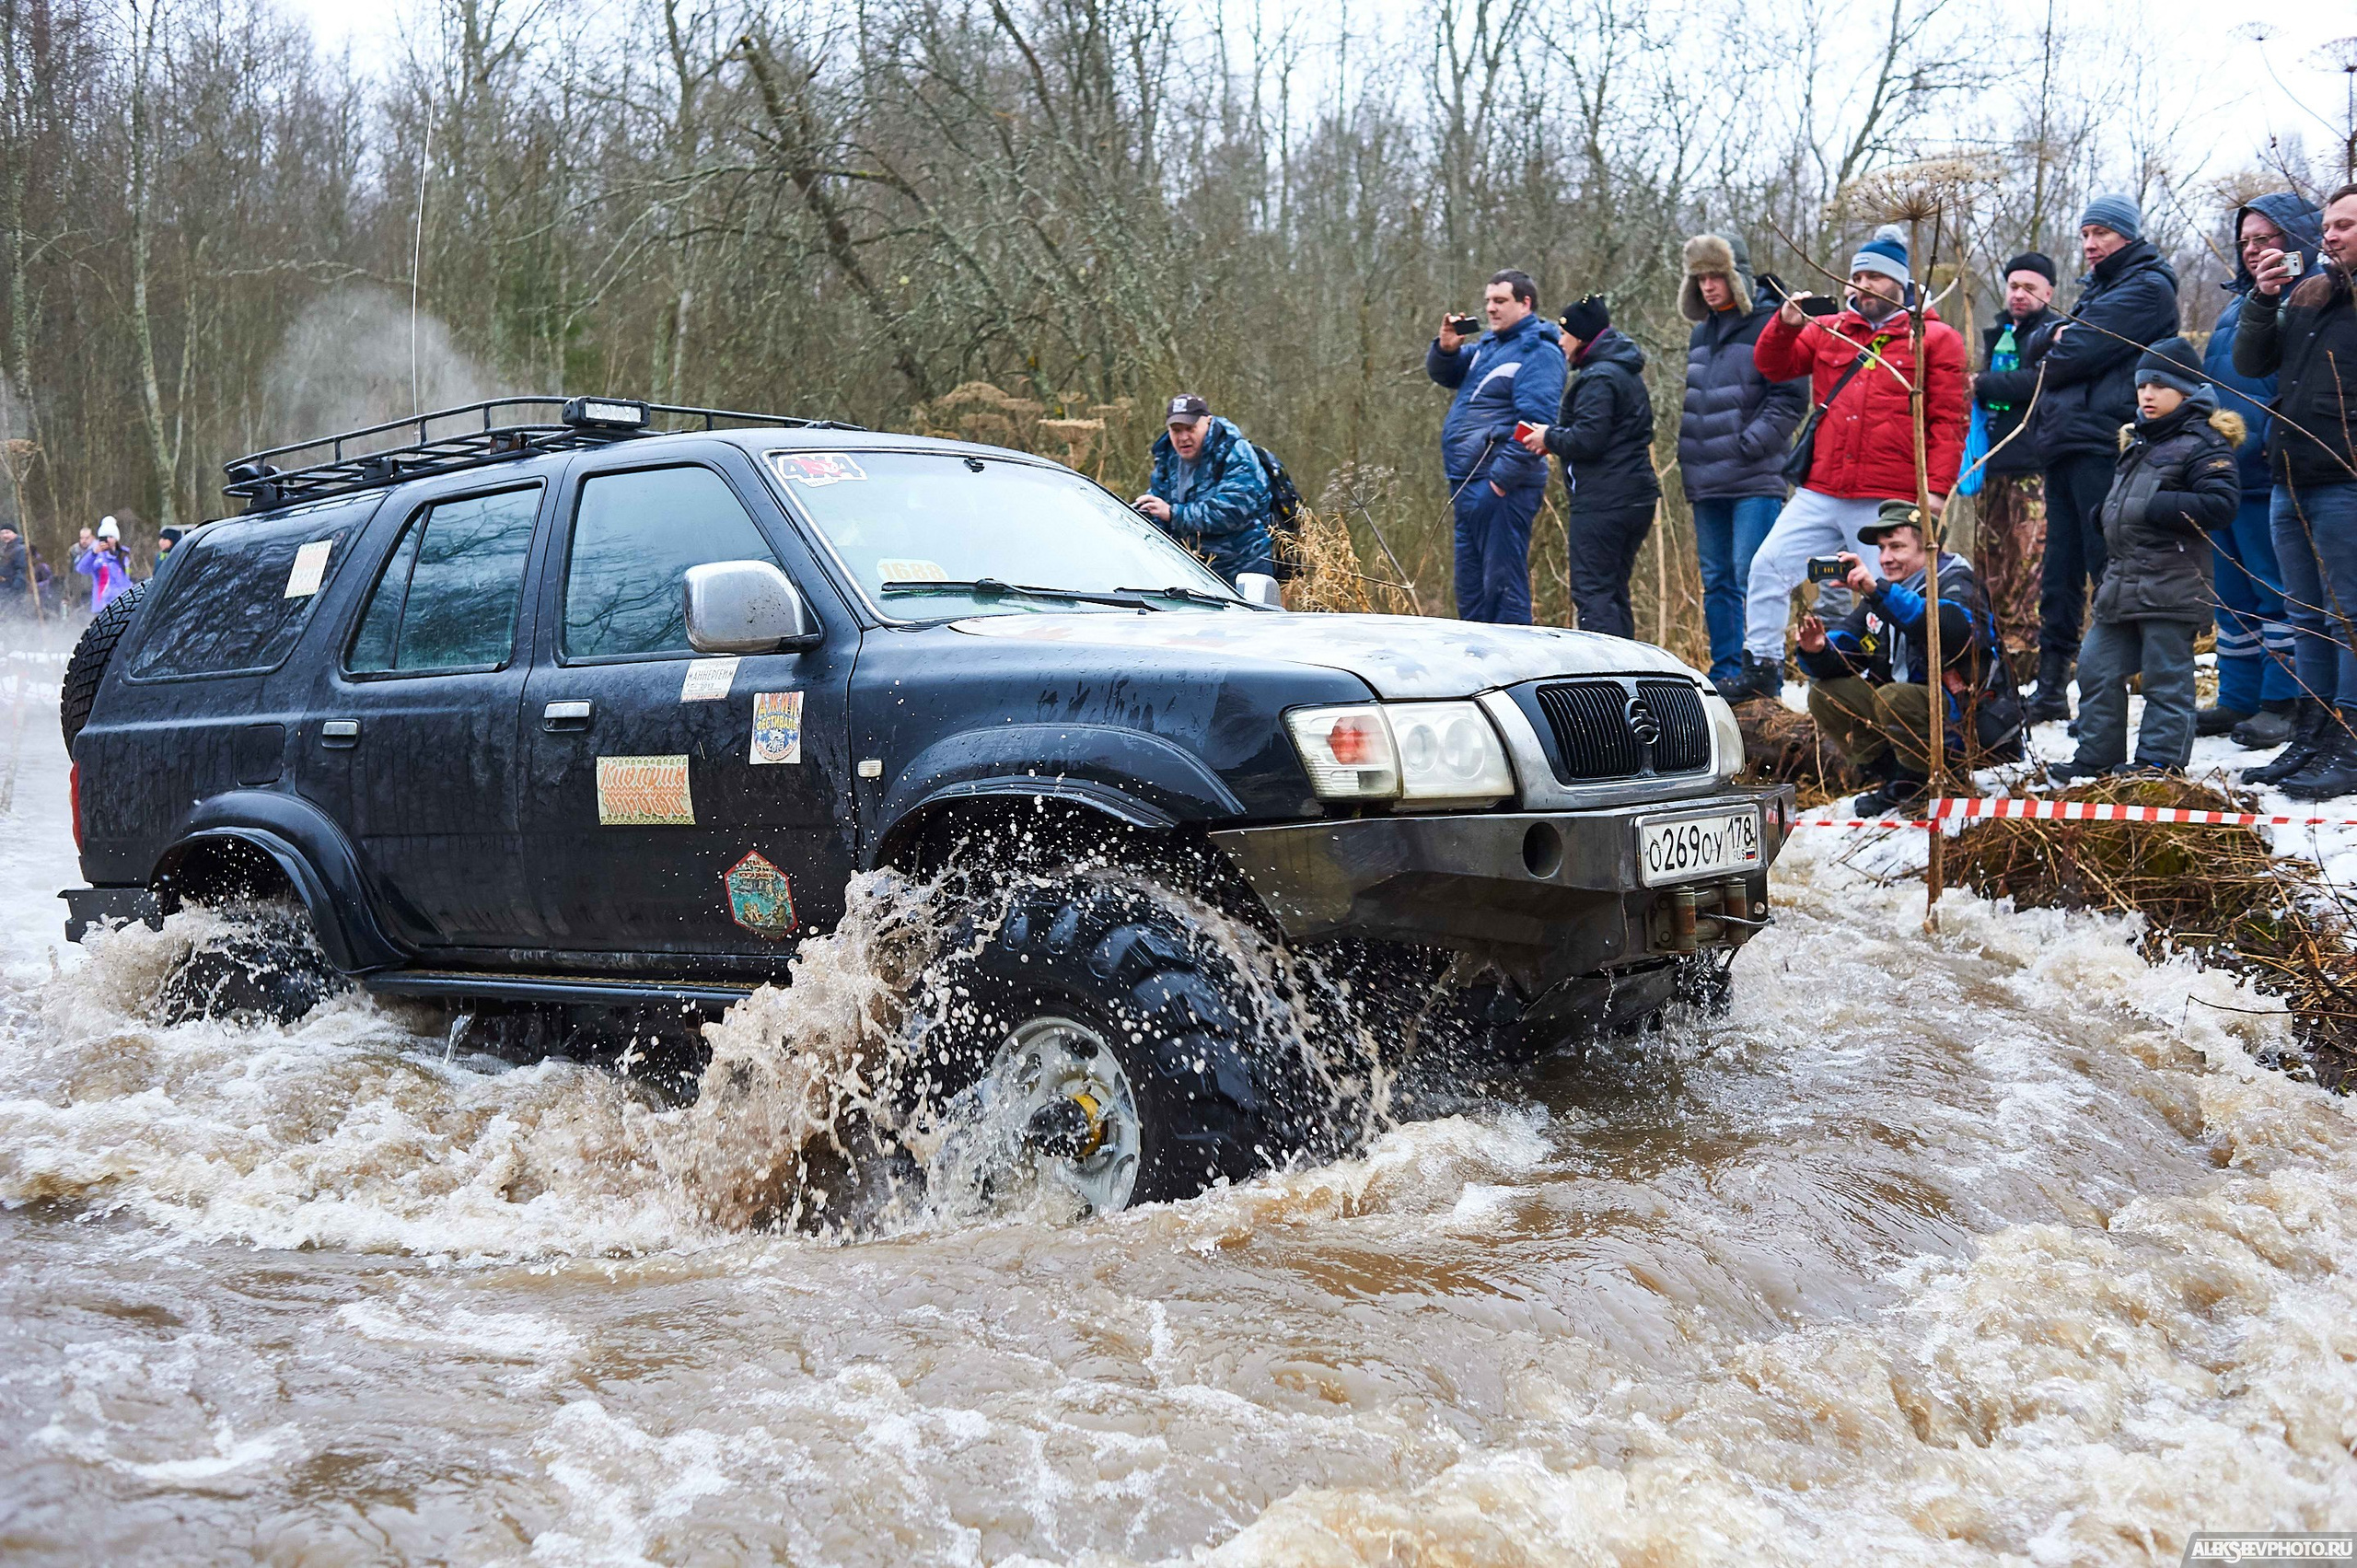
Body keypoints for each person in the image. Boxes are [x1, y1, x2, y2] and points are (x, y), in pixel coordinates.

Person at [1721, 223, 1968, 703]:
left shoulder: (1934, 338)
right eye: (1857, 276)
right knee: (1767, 566)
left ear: (1900, 282)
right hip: (1821, 488)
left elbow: (1948, 423)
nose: (1863, 285)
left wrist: (1936, 493)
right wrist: (1784, 324)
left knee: (1886, 594)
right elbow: (1773, 365)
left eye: (1875, 277)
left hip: (1888, 497)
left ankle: (1891, 687)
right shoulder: (1830, 329)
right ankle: (1762, 669)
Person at [1977, 195, 2181, 723]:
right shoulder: (2099, 290)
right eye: (2085, 234)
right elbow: (2043, 348)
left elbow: (2066, 355)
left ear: (2128, 236)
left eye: (2101, 233)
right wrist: (2054, 337)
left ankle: (2112, 696)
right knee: (2058, 574)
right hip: (2064, 442)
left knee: (2107, 569)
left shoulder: (2148, 287)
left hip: (2105, 442)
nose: (2090, 244)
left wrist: (2056, 339)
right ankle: (2050, 689)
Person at [2049, 339, 2243, 781]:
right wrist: (2105, 514)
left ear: (2186, 390)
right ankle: (2096, 757)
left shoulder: (2204, 443)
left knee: (2165, 678)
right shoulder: (2137, 440)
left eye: (2159, 385)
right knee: (2096, 669)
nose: (2147, 395)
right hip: (2122, 582)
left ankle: (2159, 764)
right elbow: (2129, 503)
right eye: (2141, 386)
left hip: (2173, 585)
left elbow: (2221, 505)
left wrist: (2155, 506)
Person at [2235, 181, 2357, 797]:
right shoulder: (2311, 292)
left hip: (2345, 481)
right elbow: (2251, 362)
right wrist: (2263, 298)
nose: (2330, 235)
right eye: (2328, 225)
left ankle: (2350, 744)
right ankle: (2313, 735)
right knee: (2306, 616)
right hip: (2289, 475)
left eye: (2345, 226)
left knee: (2349, 616)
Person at [1796, 499, 2020, 815]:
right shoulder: (1885, 593)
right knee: (1826, 694)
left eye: (1897, 547)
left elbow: (1948, 629)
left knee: (1894, 697)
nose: (1885, 558)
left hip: (1970, 723)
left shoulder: (1957, 582)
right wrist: (1816, 648)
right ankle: (1898, 778)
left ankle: (1939, 780)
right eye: (1881, 548)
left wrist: (1879, 593)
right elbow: (1847, 648)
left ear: (1929, 548)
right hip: (1910, 714)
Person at [2197, 195, 2316, 749]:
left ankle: (2281, 701)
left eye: (2265, 238)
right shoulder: (2236, 308)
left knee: (2277, 594)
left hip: (2271, 477)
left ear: (2297, 238)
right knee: (2231, 598)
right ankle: (2237, 698)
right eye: (2245, 240)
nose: (2252, 249)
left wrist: (2273, 446)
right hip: (2224, 478)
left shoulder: (2310, 298)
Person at [1675, 233, 1808, 681]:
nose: (1708, 286)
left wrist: (1748, 444)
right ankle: (1726, 674)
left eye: (1716, 276)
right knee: (1717, 581)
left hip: (1754, 475)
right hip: (1704, 477)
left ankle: (1763, 673)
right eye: (1700, 279)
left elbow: (1790, 400)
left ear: (1737, 277)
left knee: (1754, 574)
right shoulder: (1700, 333)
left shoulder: (1772, 326)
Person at [1513, 293, 1659, 637]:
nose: (1560, 341)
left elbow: (1588, 439)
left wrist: (1548, 437)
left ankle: (1604, 667)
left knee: (1593, 591)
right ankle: (1627, 664)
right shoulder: (1621, 371)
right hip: (1633, 495)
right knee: (1614, 590)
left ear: (1580, 337)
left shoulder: (1599, 378)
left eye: (1565, 334)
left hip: (1605, 500)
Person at [1427, 269, 1567, 623]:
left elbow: (1535, 424)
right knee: (1472, 594)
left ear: (1525, 304)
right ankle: (1478, 661)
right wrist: (1446, 349)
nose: (1490, 308)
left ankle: (1516, 661)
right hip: (1466, 485)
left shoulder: (1539, 351)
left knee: (1503, 592)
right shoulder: (1489, 347)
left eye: (1500, 301)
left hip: (1502, 488)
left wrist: (1499, 483)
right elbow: (1447, 374)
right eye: (1488, 301)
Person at [1969, 252, 2059, 677]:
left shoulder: (2055, 334)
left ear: (2048, 293)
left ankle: (2025, 656)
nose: (2019, 294)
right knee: (1990, 563)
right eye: (2013, 286)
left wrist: (1982, 383)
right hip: (1992, 463)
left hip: (2034, 465)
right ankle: (1990, 649)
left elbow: (2038, 381)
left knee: (2027, 563)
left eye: (2029, 288)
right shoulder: (1998, 334)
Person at [1137, 393, 1273, 586]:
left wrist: (1173, 514)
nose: (1183, 437)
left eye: (1190, 428)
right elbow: (1158, 500)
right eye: (1176, 430)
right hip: (1191, 570)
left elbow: (1233, 511)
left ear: (1208, 422)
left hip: (1242, 570)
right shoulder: (1167, 456)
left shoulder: (1235, 452)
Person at [75, 516, 132, 611]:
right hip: (103, 606)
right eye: (104, 537)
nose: (108, 540)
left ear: (116, 539)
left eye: (111, 537)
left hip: (123, 604)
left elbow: (126, 579)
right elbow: (82, 569)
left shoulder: (124, 556)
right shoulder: (97, 557)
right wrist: (93, 553)